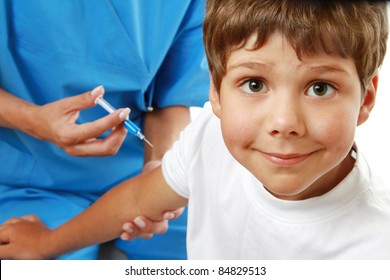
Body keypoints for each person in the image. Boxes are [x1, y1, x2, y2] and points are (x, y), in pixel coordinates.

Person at [1, 0, 390, 260]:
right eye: (254, 84)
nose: (284, 123)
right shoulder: (207, 140)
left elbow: (170, 96)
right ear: (216, 95)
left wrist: (156, 164)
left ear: (366, 99)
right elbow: (138, 199)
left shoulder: (375, 246)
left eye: (320, 88)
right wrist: (45, 244)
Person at [0, 0, 209, 260]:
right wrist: (33, 120)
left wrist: (158, 166)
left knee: (216, 249)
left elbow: (172, 96)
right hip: (28, 176)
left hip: (133, 171)